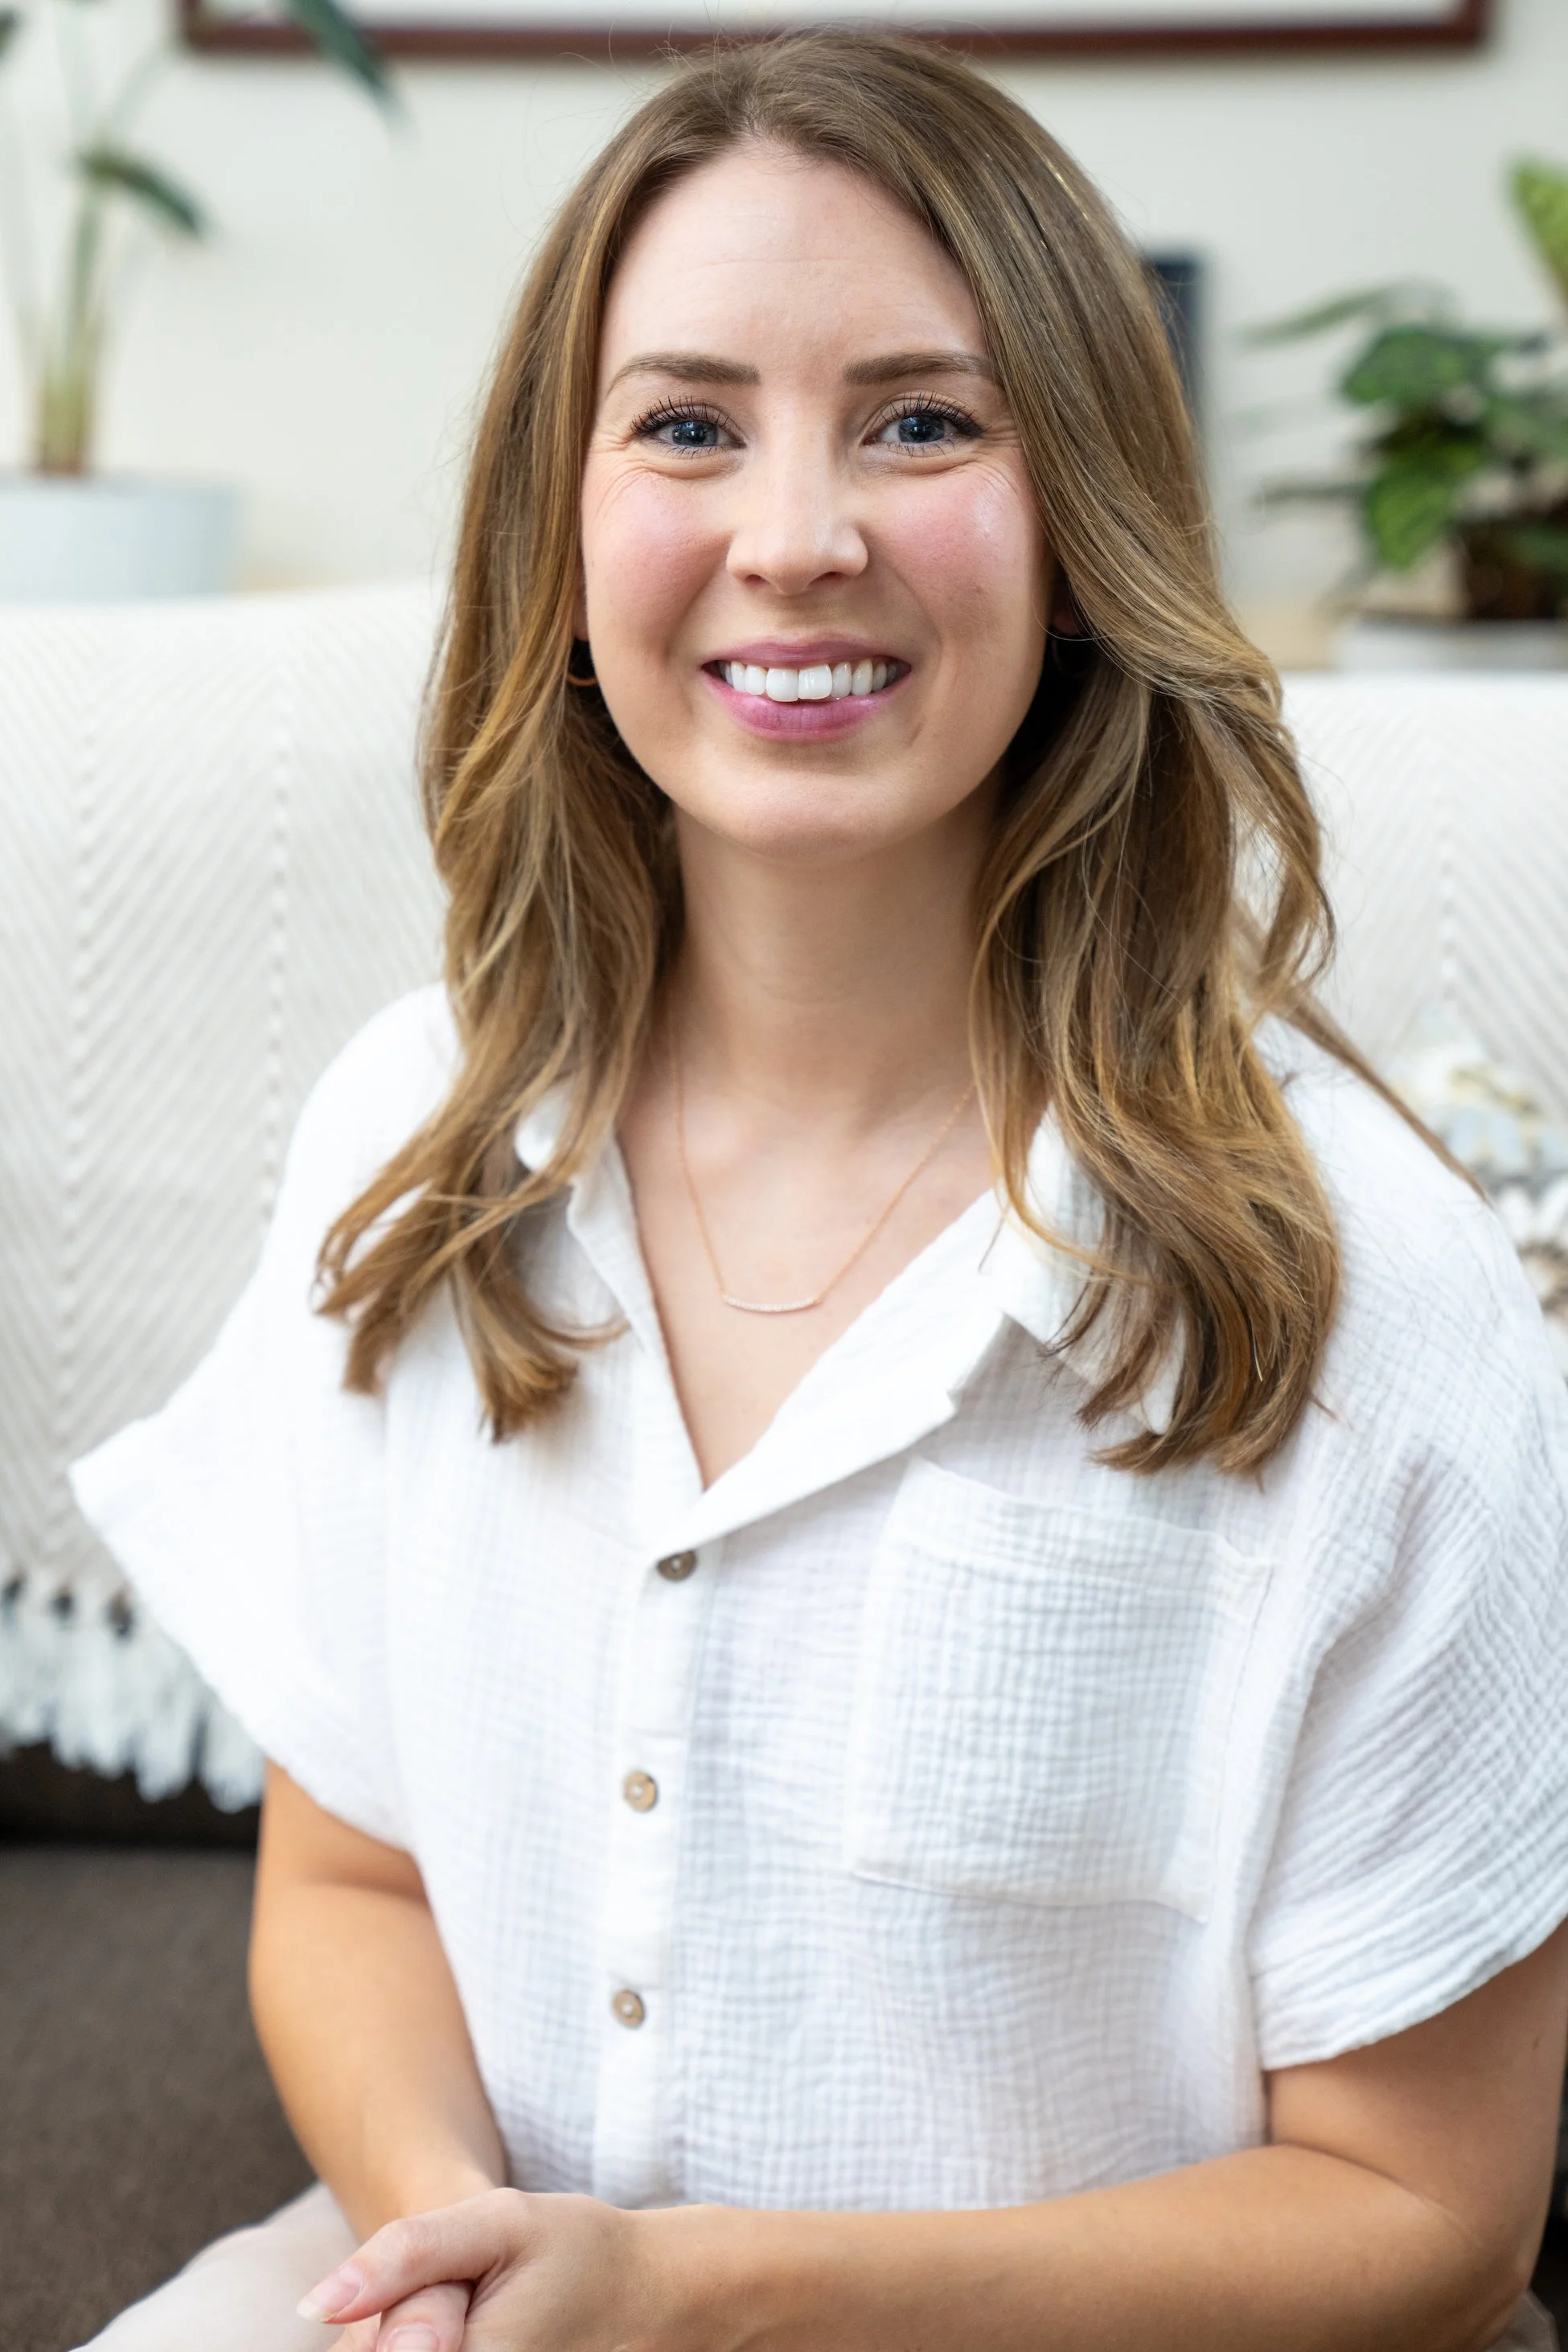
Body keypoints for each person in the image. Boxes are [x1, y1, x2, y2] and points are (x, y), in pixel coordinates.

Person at [71, 31, 1568, 2352]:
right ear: (553, 537)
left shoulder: (1359, 1282)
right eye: (684, 423)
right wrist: (468, 2255)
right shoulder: (411, 1143)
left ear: (1079, 521)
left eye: (919, 419)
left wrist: (696, 2302)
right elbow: (354, 1878)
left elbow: (1426, 2207)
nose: (793, 530)